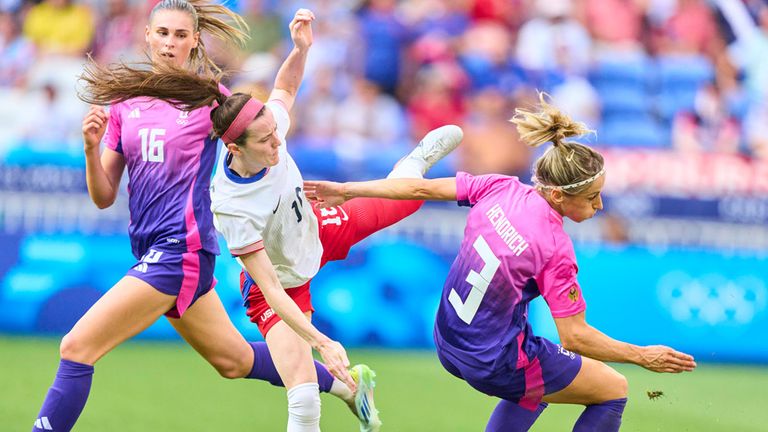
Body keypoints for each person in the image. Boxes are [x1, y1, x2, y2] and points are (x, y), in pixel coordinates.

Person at [84, 11, 464, 431]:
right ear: (236, 148)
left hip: (319, 228)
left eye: (275, 132)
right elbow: (269, 286)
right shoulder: (232, 207)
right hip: (282, 283)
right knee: (301, 400)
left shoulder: (267, 126)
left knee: (403, 202)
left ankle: (414, 162)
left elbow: (284, 89)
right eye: (266, 140)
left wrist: (300, 49)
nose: (278, 142)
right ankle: (346, 391)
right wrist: (320, 341)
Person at [33, 3, 367, 432]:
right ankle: (348, 386)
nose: (170, 43)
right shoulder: (123, 104)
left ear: (194, 41)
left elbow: (274, 108)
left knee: (76, 347)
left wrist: (299, 51)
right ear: (148, 36)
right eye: (163, 33)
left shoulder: (210, 100)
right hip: (154, 251)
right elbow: (103, 197)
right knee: (234, 360)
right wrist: (89, 149)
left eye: (180, 35)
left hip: (182, 251)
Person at [304, 93, 698, 432]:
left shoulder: (500, 187)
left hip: (447, 339)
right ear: (559, 196)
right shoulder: (554, 247)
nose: (599, 205)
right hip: (492, 360)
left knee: (543, 375)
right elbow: (575, 338)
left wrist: (346, 189)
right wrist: (643, 356)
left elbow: (420, 186)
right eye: (592, 196)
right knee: (613, 389)